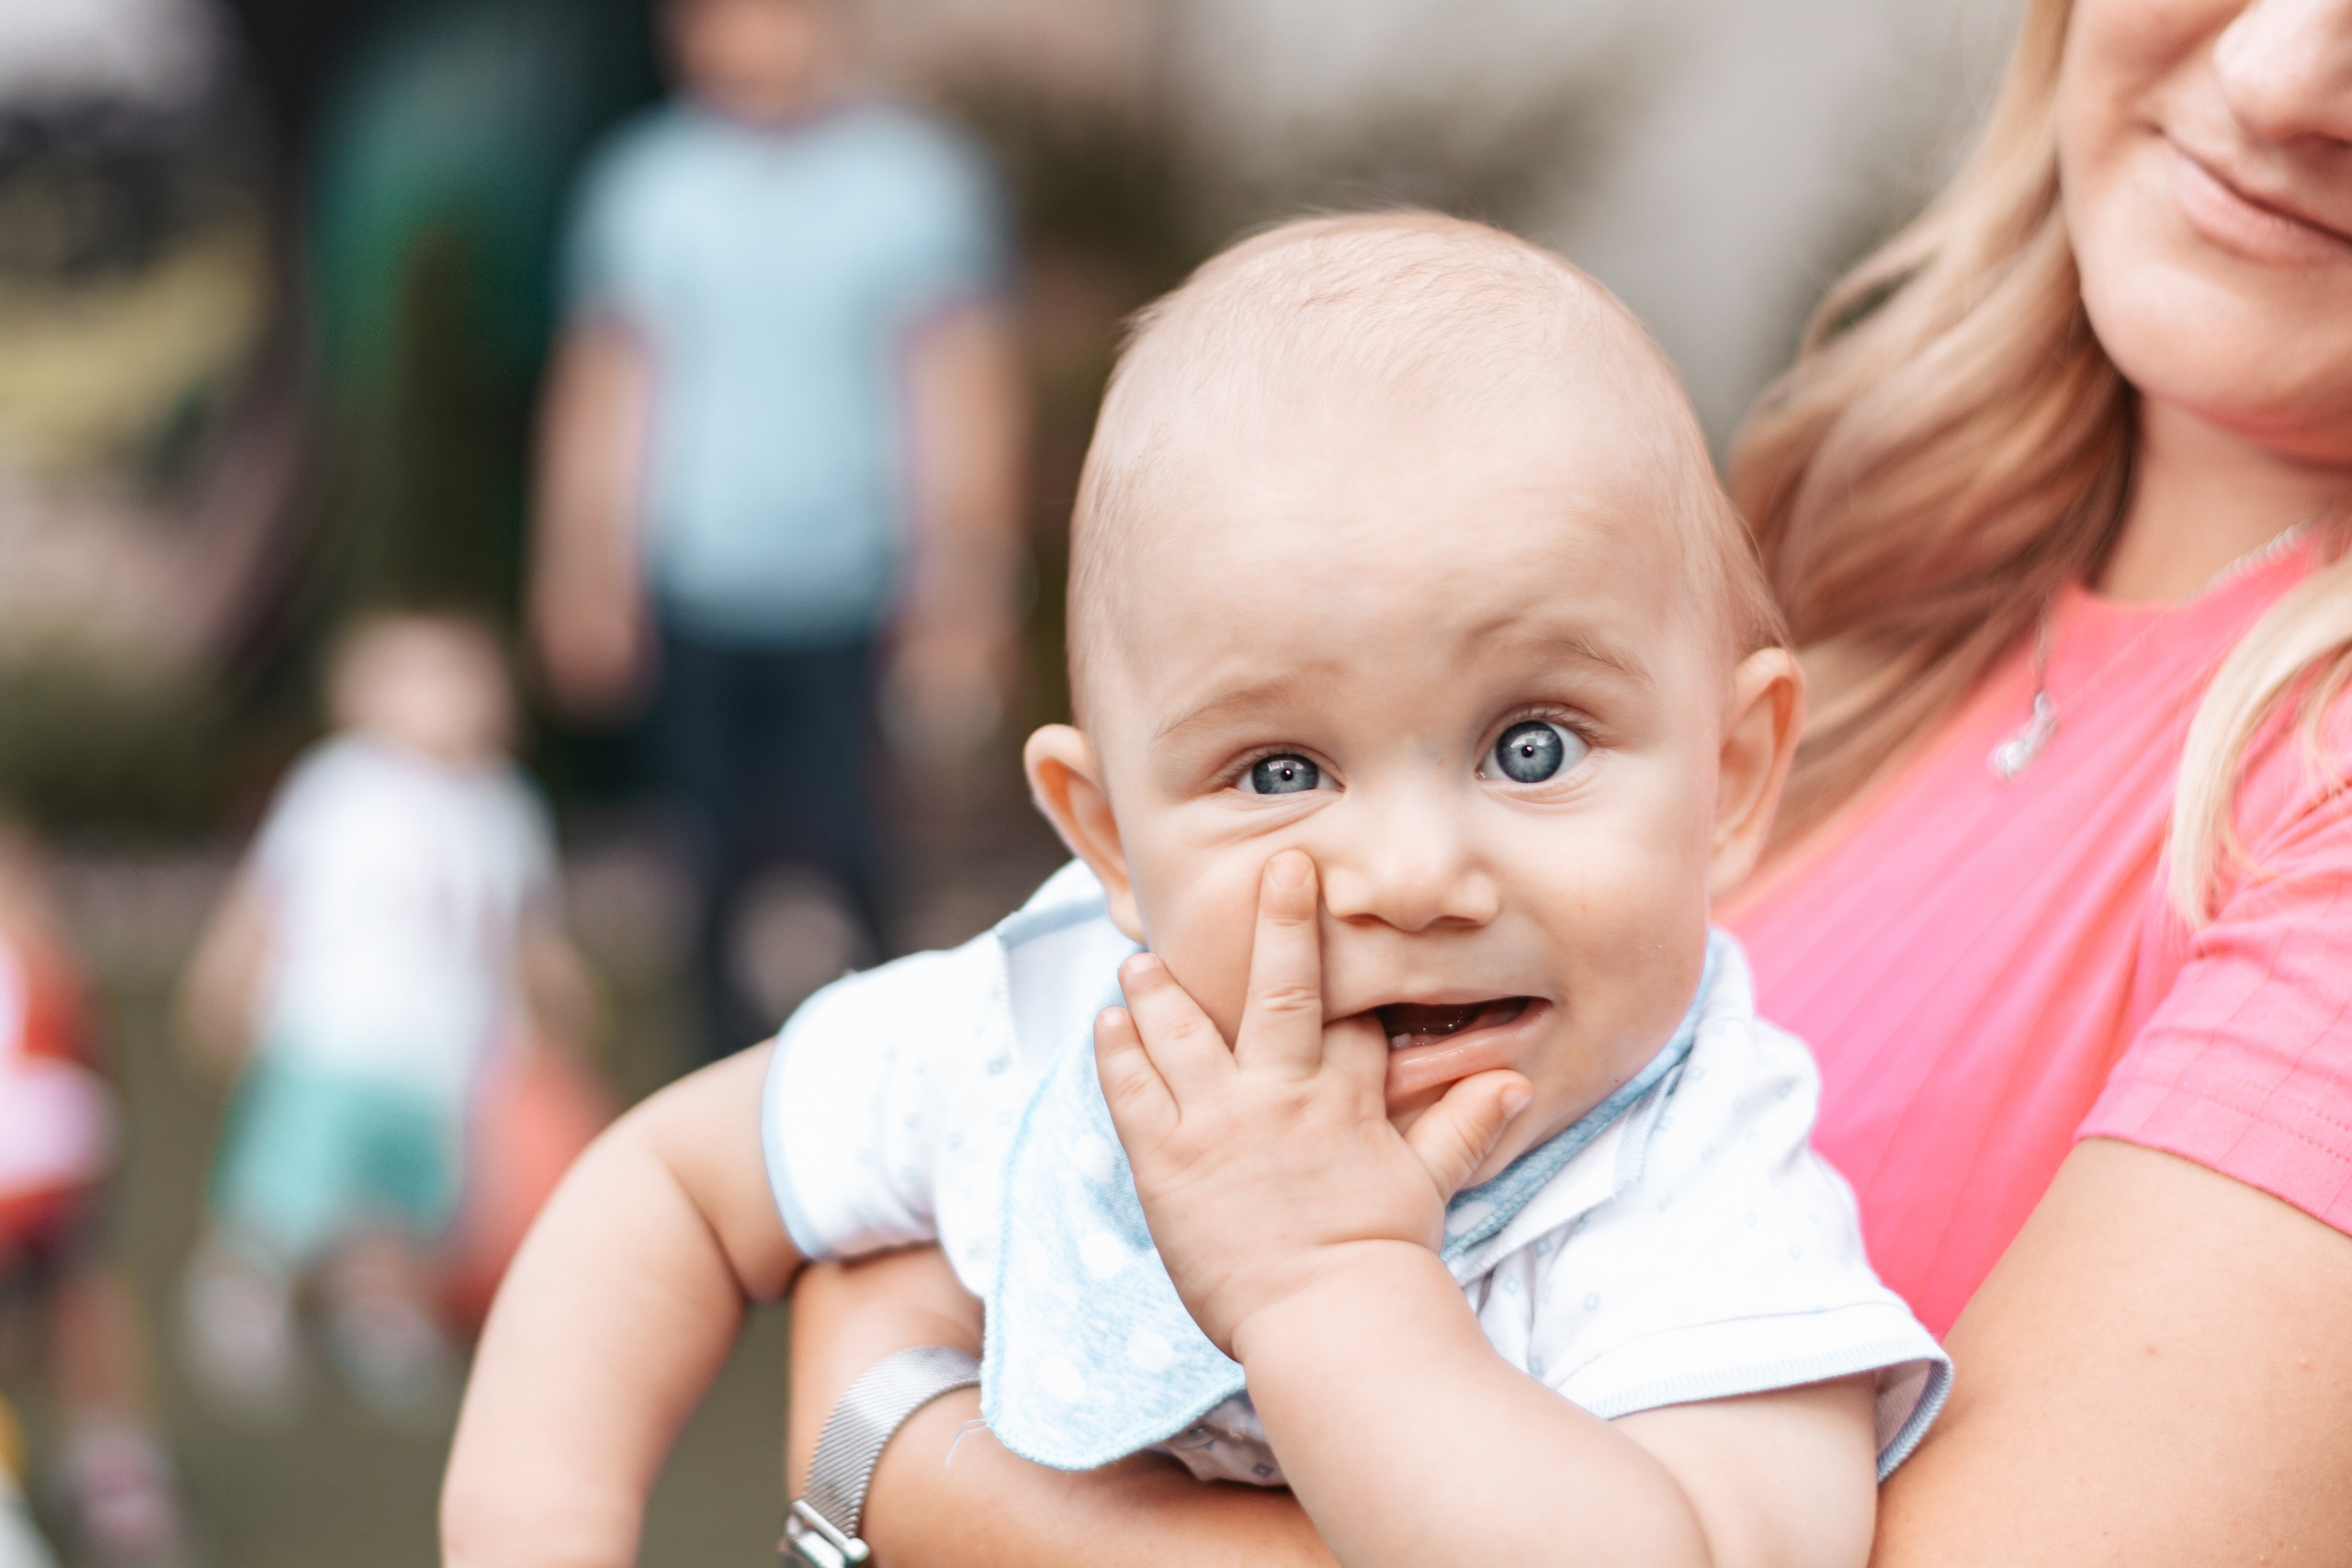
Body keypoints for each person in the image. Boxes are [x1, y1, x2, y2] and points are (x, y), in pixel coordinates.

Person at [779, 0, 2352, 1562]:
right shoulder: (1850, 577)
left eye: (1528, 751)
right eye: (1283, 765)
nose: (2286, 71)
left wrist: (911, 1456)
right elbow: (715, 1176)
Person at [445, 213, 1954, 1567]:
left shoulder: (1694, 1180)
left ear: (1735, 774)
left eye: (1532, 743)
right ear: (1108, 841)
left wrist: (1329, 1289)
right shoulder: (1049, 1027)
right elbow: (676, 1186)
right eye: (1284, 771)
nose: (1416, 875)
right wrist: (539, 1520)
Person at [529, 0, 1027, 1058]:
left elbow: (961, 395)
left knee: (860, 870)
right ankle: (717, 1123)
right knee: (703, 879)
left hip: (856, 592)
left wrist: (967, 584)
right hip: (698, 583)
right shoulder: (645, 187)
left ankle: (896, 1110)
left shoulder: (915, 183)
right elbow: (607, 387)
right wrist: (582, 568)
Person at [176, 612, 593, 1422]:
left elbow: (525, 928)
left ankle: (381, 1311)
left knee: (404, 1199)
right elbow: (268, 894)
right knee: (288, 1179)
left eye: (464, 674)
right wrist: (225, 973)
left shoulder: (505, 808)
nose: (446, 696)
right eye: (418, 673)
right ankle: (243, 1290)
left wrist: (559, 998)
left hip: (444, 1054)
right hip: (329, 1032)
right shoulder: (338, 784)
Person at [0, 828, 187, 1568]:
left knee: (83, 1300)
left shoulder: (42, 977)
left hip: (42, 1204)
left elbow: (81, 1086)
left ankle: (113, 1454)